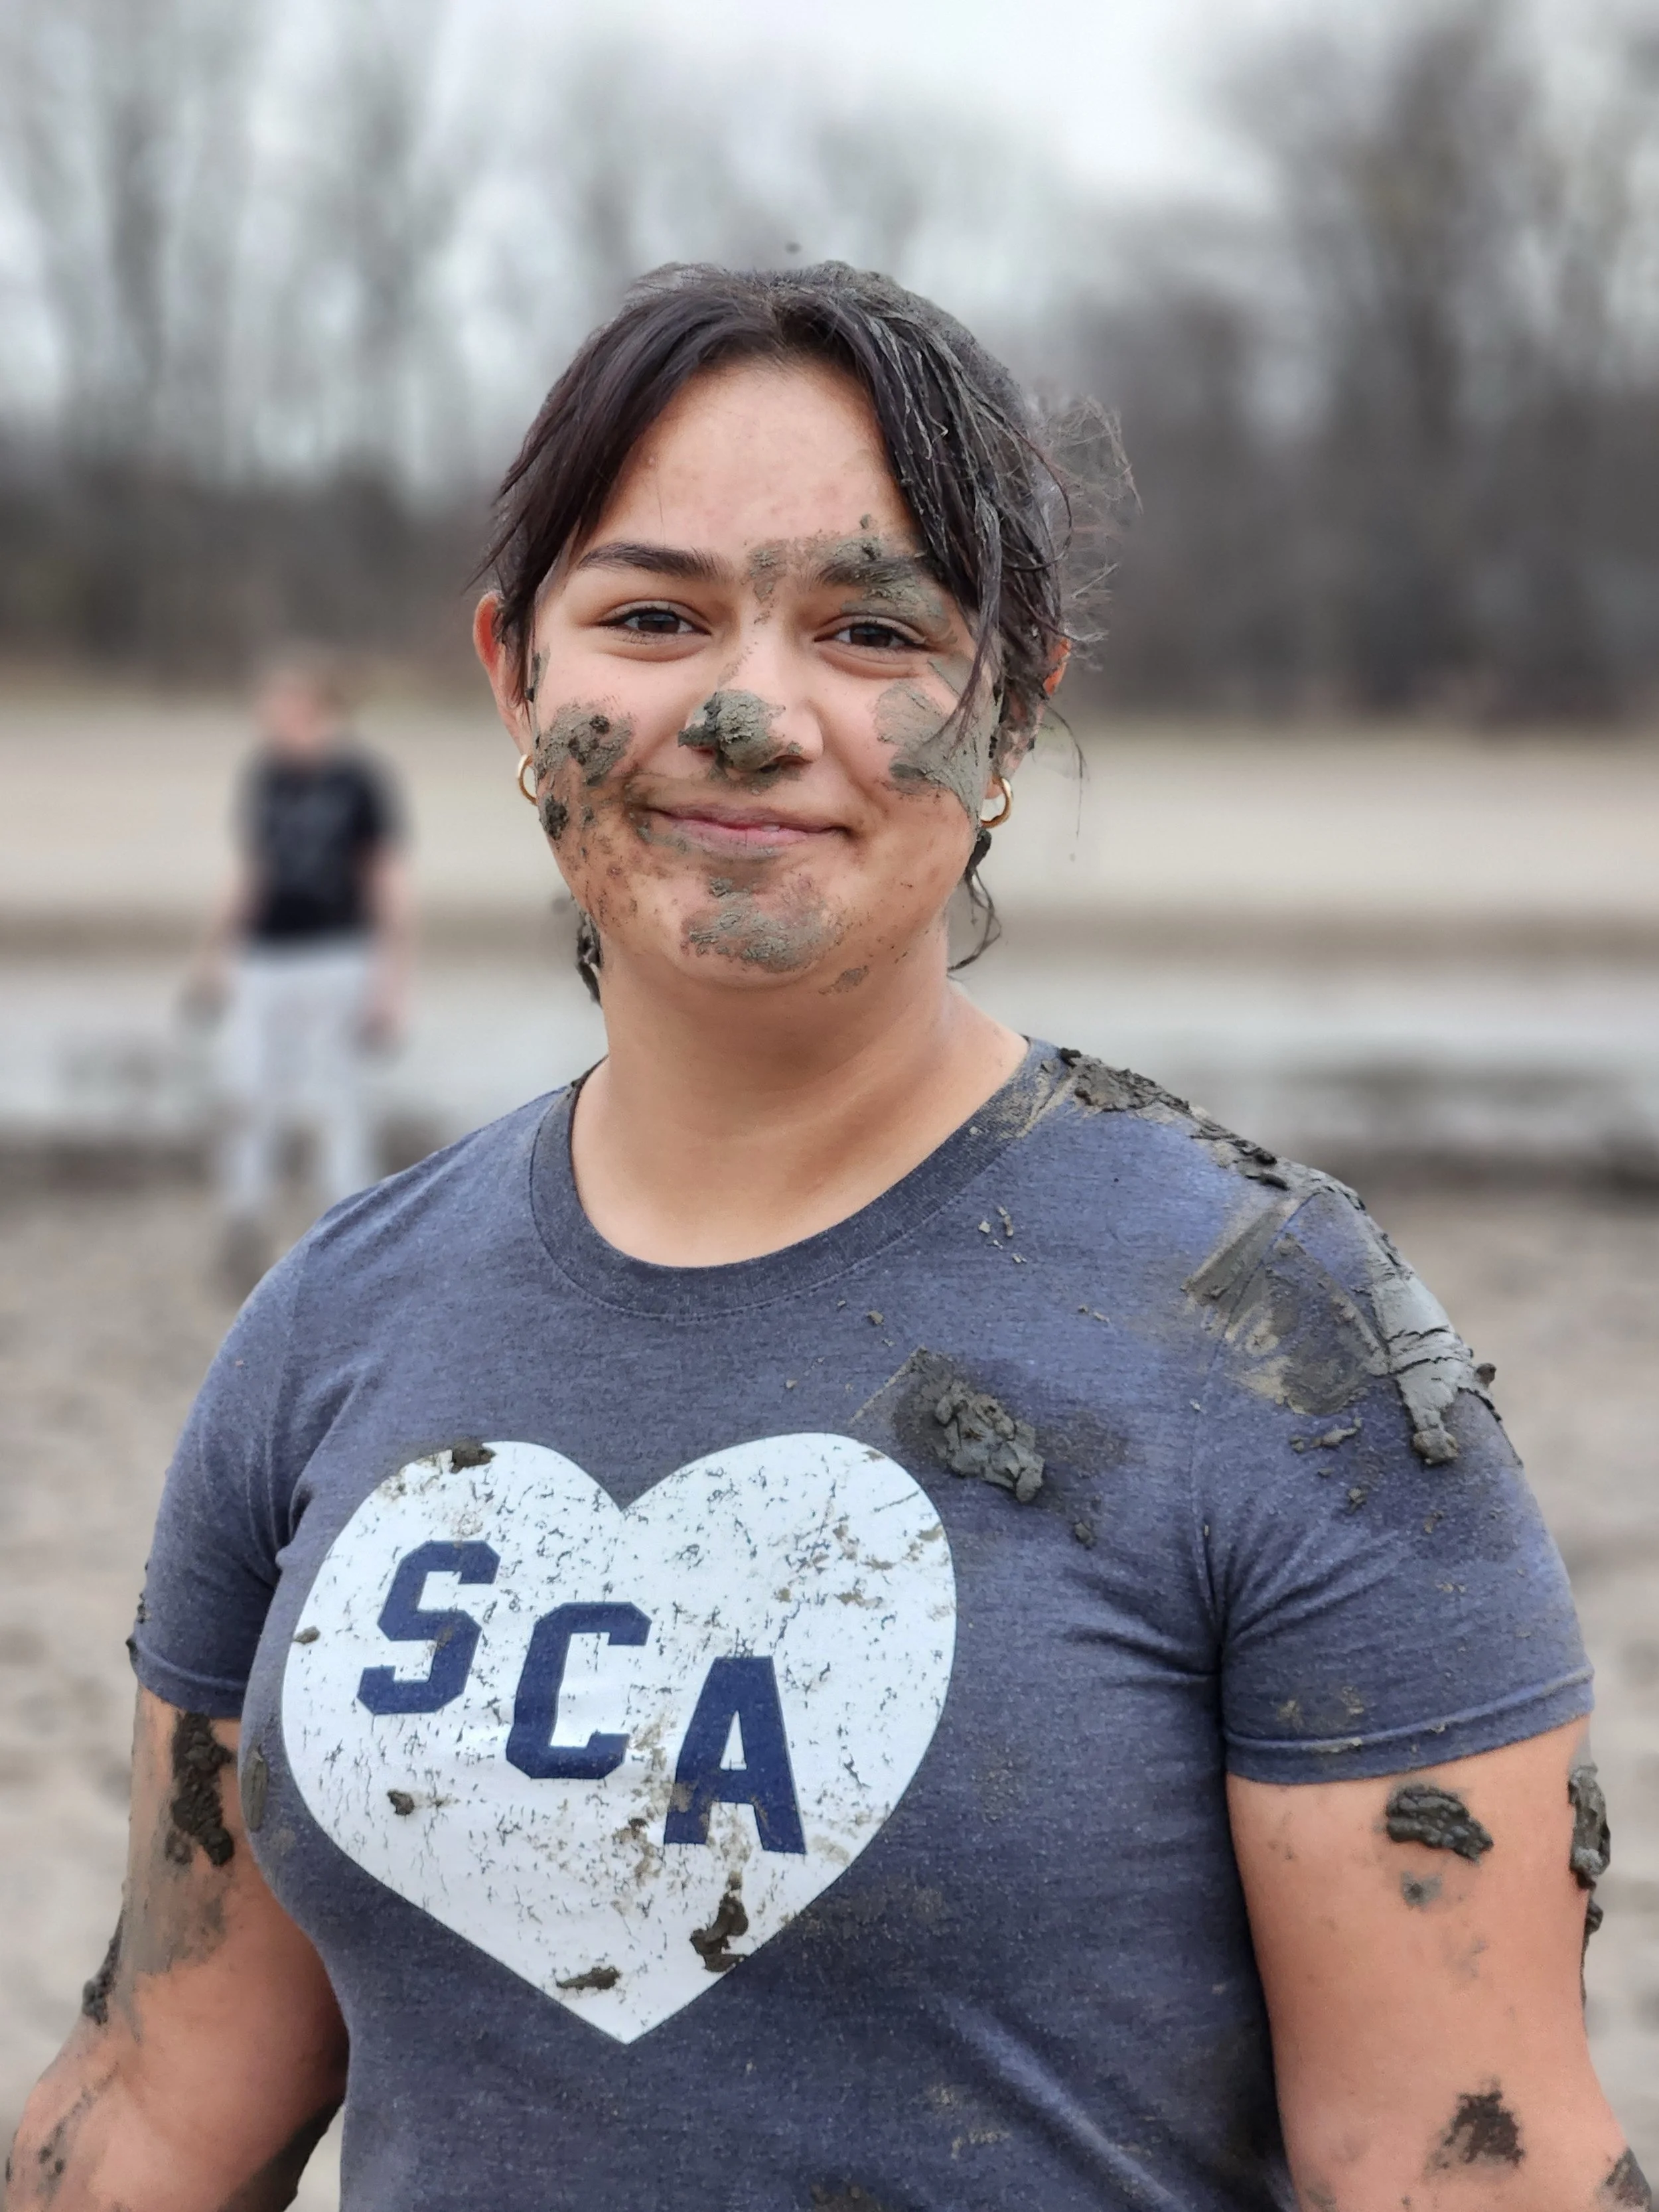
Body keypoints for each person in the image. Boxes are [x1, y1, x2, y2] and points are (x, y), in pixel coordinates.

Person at [8, 264, 1641, 2212]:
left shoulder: (1277, 1343)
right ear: (515, 676)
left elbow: (1471, 2163)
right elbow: (159, 2092)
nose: (745, 709)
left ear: (1009, 711)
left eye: (869, 626)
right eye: (650, 614)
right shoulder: (331, 1327)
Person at [188, 652, 411, 1293]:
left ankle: (353, 1241)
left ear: (319, 711)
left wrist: (391, 984)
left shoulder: (360, 781)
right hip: (263, 959)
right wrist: (214, 957)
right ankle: (243, 1224)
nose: (272, 723)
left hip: (339, 956)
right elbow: (252, 869)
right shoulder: (266, 775)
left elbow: (386, 879)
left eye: (283, 710)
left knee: (339, 1101)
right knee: (247, 1090)